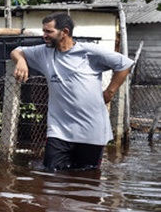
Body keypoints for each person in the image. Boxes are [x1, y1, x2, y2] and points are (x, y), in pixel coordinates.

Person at [10, 12, 134, 171]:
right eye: (43, 31)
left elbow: (124, 64)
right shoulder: (44, 52)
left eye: (49, 31)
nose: (44, 36)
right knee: (51, 177)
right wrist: (21, 61)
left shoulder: (88, 52)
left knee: (88, 178)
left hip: (91, 130)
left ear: (65, 32)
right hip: (59, 130)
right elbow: (17, 50)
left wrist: (110, 92)